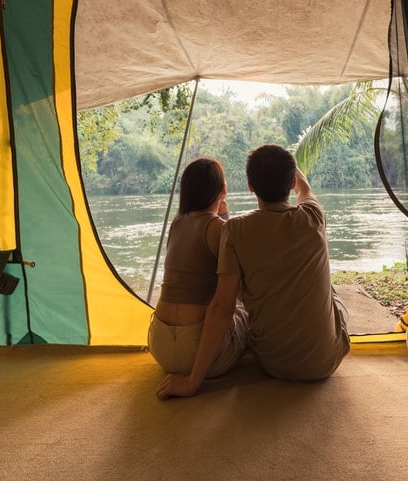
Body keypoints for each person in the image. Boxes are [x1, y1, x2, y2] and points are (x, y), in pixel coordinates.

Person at [156, 144, 350, 399]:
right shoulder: (313, 216)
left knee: (244, 294)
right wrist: (297, 176)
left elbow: (222, 305)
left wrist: (192, 382)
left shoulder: (234, 230)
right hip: (324, 363)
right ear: (291, 181)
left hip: (272, 364)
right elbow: (306, 190)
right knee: (332, 294)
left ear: (250, 186)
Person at [147, 157, 249, 378]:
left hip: (159, 343)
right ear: (224, 189)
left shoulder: (177, 223)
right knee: (242, 303)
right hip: (194, 351)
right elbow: (228, 301)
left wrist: (222, 215)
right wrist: (194, 381)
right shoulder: (220, 229)